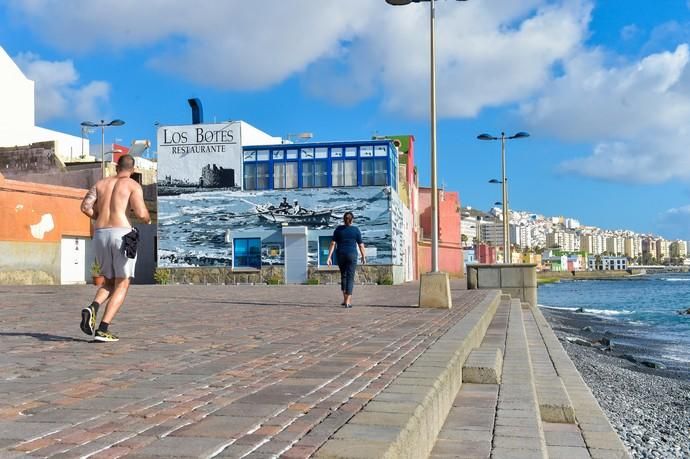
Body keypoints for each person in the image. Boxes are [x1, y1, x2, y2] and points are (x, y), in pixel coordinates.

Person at [79, 155, 150, 342]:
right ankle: (103, 329)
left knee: (109, 280)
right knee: (123, 282)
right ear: (132, 169)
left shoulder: (100, 184)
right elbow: (141, 213)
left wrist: (101, 217)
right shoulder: (132, 185)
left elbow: (85, 207)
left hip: (100, 233)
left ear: (116, 167)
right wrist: (147, 220)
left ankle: (93, 307)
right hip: (121, 234)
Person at [326, 212, 366, 308]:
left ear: (343, 220)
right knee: (350, 277)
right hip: (352, 255)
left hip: (341, 254)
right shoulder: (356, 230)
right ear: (352, 220)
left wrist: (329, 257)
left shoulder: (338, 229)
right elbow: (361, 245)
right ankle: (348, 301)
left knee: (343, 276)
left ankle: (345, 300)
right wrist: (363, 256)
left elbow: (332, 243)